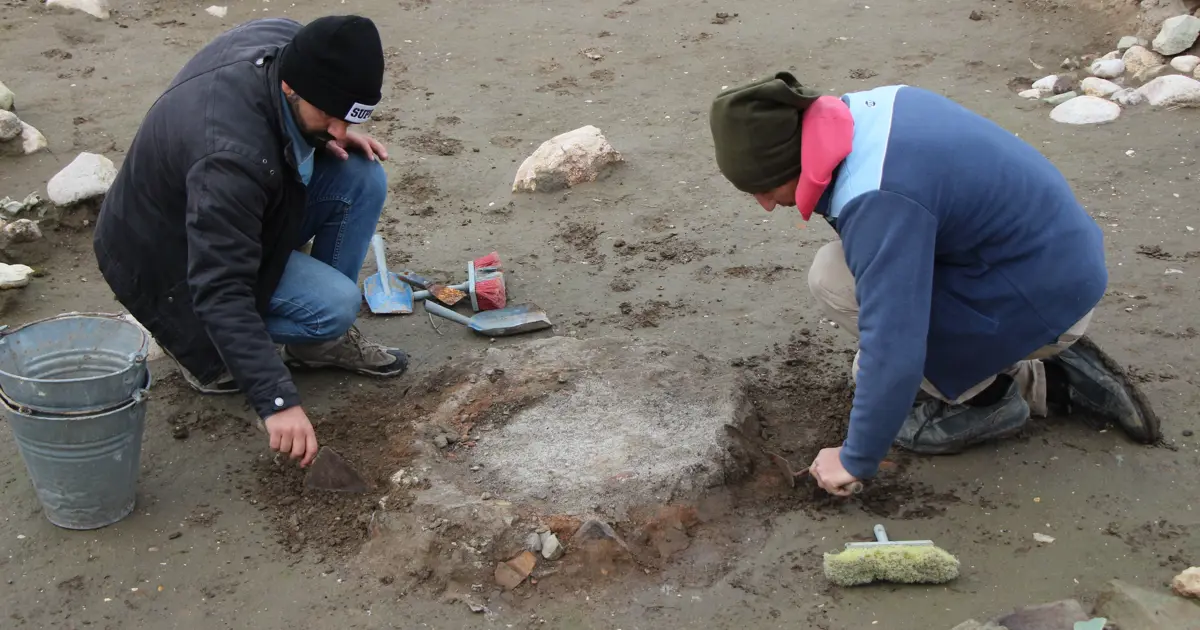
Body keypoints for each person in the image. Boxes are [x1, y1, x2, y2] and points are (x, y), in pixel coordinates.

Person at [707, 72, 1160, 496]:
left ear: (792, 159)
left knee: (839, 294)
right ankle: (1054, 373)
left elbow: (895, 344)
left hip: (1041, 294)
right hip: (1054, 268)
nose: (765, 206)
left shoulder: (878, 197)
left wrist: (855, 457)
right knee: (867, 333)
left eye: (765, 188)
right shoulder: (869, 111)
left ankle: (991, 401)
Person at [94, 15, 408, 468]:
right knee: (335, 305)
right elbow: (220, 287)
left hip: (226, 210)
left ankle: (317, 343)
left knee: (361, 176)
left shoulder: (291, 48)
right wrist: (276, 401)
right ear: (289, 89)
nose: (341, 130)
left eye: (349, 118)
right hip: (166, 258)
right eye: (330, 116)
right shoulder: (230, 157)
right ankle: (203, 351)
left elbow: (318, 121)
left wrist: (327, 132)